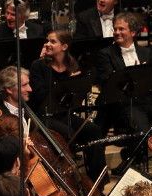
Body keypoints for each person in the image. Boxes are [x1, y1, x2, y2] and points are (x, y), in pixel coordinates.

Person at [29, 30, 106, 179]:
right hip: (44, 115)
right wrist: (67, 84)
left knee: (94, 130)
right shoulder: (39, 65)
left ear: (64, 46)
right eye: (47, 41)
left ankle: (98, 180)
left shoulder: (72, 65)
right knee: (69, 133)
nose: (47, 44)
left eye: (52, 41)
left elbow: (78, 95)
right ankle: (71, 179)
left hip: (64, 113)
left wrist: (78, 84)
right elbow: (39, 96)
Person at [93, 12, 152, 135]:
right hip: (123, 105)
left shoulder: (146, 52)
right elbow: (107, 81)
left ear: (133, 33)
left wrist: (143, 76)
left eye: (121, 29)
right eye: (115, 29)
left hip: (146, 101)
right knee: (141, 125)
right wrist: (132, 76)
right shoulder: (106, 54)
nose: (117, 32)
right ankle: (137, 151)